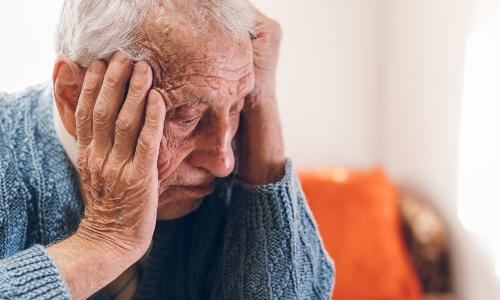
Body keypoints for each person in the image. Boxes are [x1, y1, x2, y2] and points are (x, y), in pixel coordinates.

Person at [0, 0, 334, 299]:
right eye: (186, 115)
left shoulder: (224, 177)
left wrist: (262, 104)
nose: (224, 162)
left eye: (236, 106)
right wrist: (104, 241)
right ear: (74, 95)